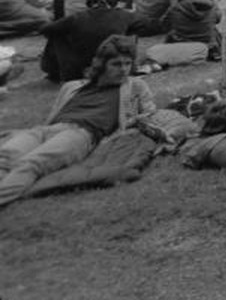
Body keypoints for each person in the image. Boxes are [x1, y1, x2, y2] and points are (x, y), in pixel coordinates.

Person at [0, 36, 156, 207]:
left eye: (127, 64)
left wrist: (135, 121)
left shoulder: (134, 86)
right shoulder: (72, 86)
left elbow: (149, 112)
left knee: (32, 163)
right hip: (46, 130)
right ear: (102, 64)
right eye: (116, 64)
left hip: (82, 133)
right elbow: (52, 117)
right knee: (6, 157)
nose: (123, 70)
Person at [40, 0, 156, 83]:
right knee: (133, 30)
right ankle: (128, 65)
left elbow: (45, 29)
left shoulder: (77, 17)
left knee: (56, 33)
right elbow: (150, 24)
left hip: (80, 68)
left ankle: (54, 72)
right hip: (113, 61)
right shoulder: (124, 15)